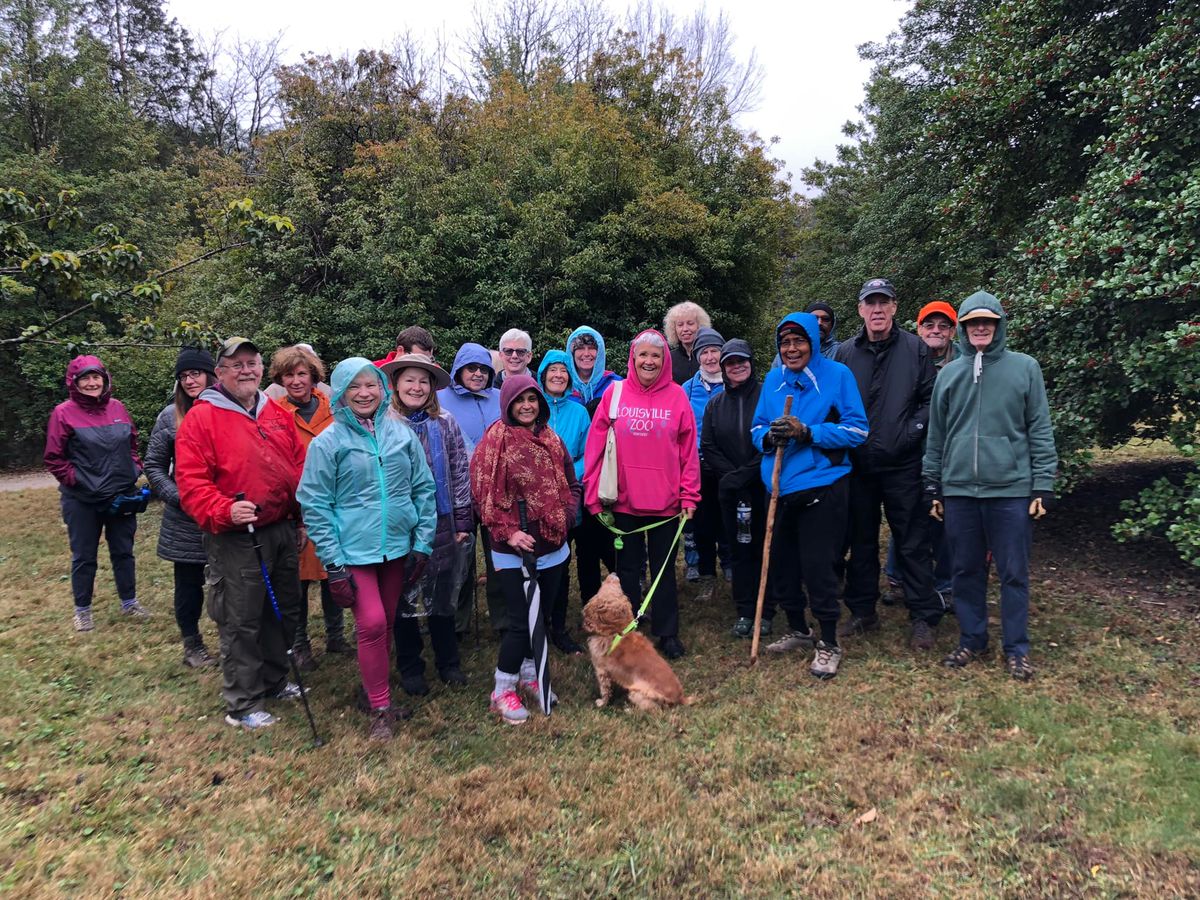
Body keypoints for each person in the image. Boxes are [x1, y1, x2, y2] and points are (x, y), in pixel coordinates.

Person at [298, 357, 437, 739]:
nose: (364, 393)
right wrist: (333, 562)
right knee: (372, 622)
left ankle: (373, 690)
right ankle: (380, 708)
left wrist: (422, 542)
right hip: (352, 550)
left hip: (396, 546)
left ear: (382, 388)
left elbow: (423, 488)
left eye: (370, 385)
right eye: (354, 387)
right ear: (340, 393)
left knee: (386, 622)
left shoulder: (400, 434)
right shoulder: (329, 442)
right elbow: (315, 503)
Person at [175, 337, 307, 730]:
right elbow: (191, 482)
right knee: (241, 617)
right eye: (237, 364)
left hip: (282, 527)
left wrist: (300, 519)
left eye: (252, 363)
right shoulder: (202, 418)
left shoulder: (276, 413)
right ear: (221, 373)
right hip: (236, 535)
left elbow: (298, 467)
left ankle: (274, 678)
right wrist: (224, 509)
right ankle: (242, 700)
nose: (246, 370)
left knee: (282, 609)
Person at [924, 292, 1057, 681]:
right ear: (963, 328)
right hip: (960, 490)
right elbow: (937, 435)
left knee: (1013, 572)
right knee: (965, 570)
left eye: (988, 322)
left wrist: (1042, 483)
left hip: (1011, 489)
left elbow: (1040, 428)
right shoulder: (948, 374)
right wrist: (932, 483)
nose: (980, 328)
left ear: (999, 325)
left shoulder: (1025, 368)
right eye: (972, 323)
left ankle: (1017, 648)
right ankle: (972, 638)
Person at [752, 314, 868, 679]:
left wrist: (809, 433)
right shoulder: (773, 381)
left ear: (813, 343)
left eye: (798, 341)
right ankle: (798, 629)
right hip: (779, 488)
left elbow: (857, 429)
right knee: (783, 565)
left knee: (818, 567)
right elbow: (756, 426)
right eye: (785, 343)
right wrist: (769, 438)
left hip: (822, 485)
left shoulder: (837, 376)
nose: (791, 349)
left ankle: (829, 641)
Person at [835, 278, 943, 651]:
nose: (877, 310)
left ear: (895, 307)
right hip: (860, 465)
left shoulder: (915, 349)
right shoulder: (846, 354)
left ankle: (923, 616)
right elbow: (834, 406)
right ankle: (863, 612)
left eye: (884, 303)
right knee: (861, 542)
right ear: (860, 310)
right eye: (870, 303)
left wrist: (911, 431)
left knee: (912, 542)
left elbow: (932, 400)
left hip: (903, 465)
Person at [582, 329, 700, 660]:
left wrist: (690, 495)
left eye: (656, 356)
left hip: (666, 504)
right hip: (625, 502)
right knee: (629, 570)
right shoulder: (614, 394)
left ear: (664, 362)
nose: (649, 361)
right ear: (633, 358)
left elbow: (689, 451)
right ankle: (629, 628)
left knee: (664, 571)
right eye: (643, 355)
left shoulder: (677, 396)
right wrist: (592, 493)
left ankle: (668, 632)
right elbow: (595, 448)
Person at [471, 375, 581, 724]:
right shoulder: (495, 441)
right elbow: (482, 494)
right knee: (520, 623)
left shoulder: (550, 437)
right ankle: (502, 688)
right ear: (507, 403)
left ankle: (532, 676)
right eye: (519, 400)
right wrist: (510, 533)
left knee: (542, 618)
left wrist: (566, 513)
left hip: (553, 546)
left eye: (532, 399)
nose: (527, 406)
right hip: (512, 550)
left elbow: (570, 480)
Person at [383, 353, 472, 694]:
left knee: (443, 594)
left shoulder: (445, 421)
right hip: (400, 524)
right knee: (402, 595)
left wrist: (463, 517)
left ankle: (448, 662)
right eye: (410, 380)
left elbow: (459, 468)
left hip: (441, 519)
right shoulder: (384, 422)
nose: (416, 387)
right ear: (397, 384)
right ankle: (410, 666)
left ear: (432, 387)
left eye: (423, 381)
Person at [45, 355, 147, 632]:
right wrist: (78, 481)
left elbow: (133, 444)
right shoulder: (63, 413)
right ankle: (83, 610)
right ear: (74, 382)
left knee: (124, 552)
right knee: (84, 556)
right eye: (85, 378)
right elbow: (54, 458)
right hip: (83, 500)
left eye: (96, 377)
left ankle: (129, 602)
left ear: (105, 379)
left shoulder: (118, 408)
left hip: (121, 495)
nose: (92, 383)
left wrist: (133, 469)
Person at [268, 344, 350, 669]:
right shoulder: (273, 413)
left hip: (337, 505)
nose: (296, 380)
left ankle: (336, 636)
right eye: (289, 374)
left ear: (314, 376)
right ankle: (299, 643)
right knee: (297, 581)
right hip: (298, 508)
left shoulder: (335, 409)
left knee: (334, 571)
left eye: (301, 373)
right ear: (281, 379)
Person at [145, 348, 219, 665]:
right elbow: (154, 465)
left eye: (195, 373)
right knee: (188, 584)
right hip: (186, 518)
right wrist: (180, 497)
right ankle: (192, 644)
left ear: (210, 375)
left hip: (225, 512)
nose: (189, 381)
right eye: (184, 376)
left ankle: (235, 640)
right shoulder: (169, 417)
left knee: (231, 583)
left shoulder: (227, 410)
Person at [884, 300, 960, 605]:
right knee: (905, 516)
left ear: (953, 331)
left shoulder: (963, 365)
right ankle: (897, 578)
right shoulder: (904, 357)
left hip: (948, 454)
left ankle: (944, 585)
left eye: (943, 326)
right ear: (919, 328)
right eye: (929, 325)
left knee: (942, 518)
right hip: (909, 451)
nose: (936, 331)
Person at [700, 339, 766, 637]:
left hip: (763, 486)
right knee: (740, 548)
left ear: (751, 363)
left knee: (765, 546)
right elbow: (709, 445)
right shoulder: (716, 403)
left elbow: (771, 443)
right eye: (730, 362)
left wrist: (748, 473)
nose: (736, 367)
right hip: (730, 489)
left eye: (742, 361)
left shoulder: (768, 396)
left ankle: (768, 608)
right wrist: (732, 475)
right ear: (723, 368)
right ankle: (744, 608)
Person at [437, 342, 504, 633]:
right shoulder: (440, 398)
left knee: (500, 558)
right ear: (458, 370)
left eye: (483, 369)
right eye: (471, 368)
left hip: (497, 491)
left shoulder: (500, 398)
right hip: (457, 492)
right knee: (458, 560)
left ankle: (503, 619)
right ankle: (455, 622)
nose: (477, 374)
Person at [538, 349, 590, 654]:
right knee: (537, 565)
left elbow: (588, 453)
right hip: (535, 502)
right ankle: (536, 623)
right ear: (543, 375)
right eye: (552, 370)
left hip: (569, 498)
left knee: (561, 562)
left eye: (563, 370)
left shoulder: (579, 412)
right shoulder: (530, 407)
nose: (558, 375)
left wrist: (566, 477)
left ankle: (558, 626)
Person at [680, 326, 729, 595]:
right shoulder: (686, 390)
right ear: (697, 356)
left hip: (729, 466)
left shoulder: (734, 382)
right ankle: (707, 574)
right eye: (705, 352)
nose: (710, 357)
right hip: (698, 466)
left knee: (731, 520)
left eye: (715, 351)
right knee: (702, 523)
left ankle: (732, 565)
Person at [565, 326, 622, 415]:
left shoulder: (616, 384)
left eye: (591, 348)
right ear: (572, 354)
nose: (586, 354)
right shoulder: (562, 385)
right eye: (580, 348)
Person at [664, 301, 712, 384]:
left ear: (699, 325)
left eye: (690, 323)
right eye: (680, 325)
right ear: (674, 328)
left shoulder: (710, 356)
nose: (685, 329)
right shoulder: (668, 359)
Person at [264, 343, 332, 401]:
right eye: (289, 375)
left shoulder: (327, 399)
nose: (296, 382)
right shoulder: (273, 391)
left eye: (302, 374)